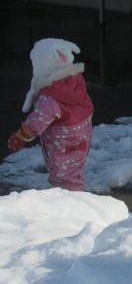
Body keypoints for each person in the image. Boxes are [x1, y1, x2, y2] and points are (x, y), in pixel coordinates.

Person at [6, 38, 94, 191]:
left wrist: (21, 135)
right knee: (73, 170)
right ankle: (73, 195)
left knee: (63, 177)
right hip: (81, 132)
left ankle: (68, 204)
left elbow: (38, 120)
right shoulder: (74, 78)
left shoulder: (51, 96)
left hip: (62, 141)